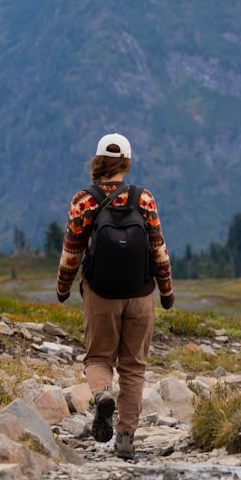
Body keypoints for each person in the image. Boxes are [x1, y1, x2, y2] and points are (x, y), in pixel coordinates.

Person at [56, 132, 175, 460]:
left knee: (98, 359)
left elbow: (71, 253)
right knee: (134, 366)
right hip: (140, 295)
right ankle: (125, 438)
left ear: (97, 161)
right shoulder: (144, 198)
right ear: (126, 163)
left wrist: (64, 288)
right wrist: (166, 291)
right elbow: (159, 250)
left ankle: (102, 393)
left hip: (100, 294)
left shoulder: (84, 200)